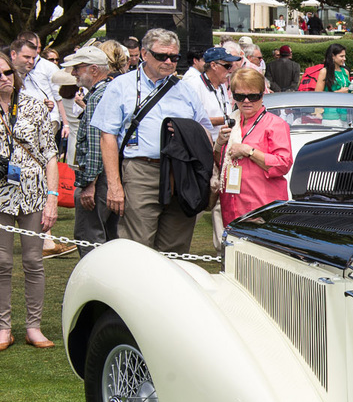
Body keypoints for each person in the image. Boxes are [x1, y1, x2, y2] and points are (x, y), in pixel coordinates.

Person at [92, 28, 212, 253]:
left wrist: (187, 133)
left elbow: (205, 131)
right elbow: (107, 136)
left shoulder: (186, 90)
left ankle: (169, 288)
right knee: (138, 247)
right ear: (145, 54)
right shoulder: (121, 86)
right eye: (162, 56)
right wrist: (115, 185)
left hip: (180, 171)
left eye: (174, 57)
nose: (169, 62)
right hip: (141, 170)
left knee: (175, 247)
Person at [0, 48, 59, 349]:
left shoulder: (35, 106)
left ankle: (33, 326)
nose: (3, 79)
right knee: (1, 262)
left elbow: (50, 155)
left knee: (34, 261)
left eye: (7, 73)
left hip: (34, 194)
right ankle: (3, 327)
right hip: (0, 197)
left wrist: (52, 197)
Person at [65, 43, 126, 246]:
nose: (74, 73)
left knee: (89, 236)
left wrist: (88, 184)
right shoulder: (112, 91)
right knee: (110, 236)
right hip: (112, 175)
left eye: (77, 68)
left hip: (99, 180)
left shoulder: (98, 97)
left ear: (93, 69)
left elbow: (94, 144)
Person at [218, 67, 293, 223]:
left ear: (262, 95)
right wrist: (219, 144)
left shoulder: (275, 124)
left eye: (253, 96)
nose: (246, 101)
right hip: (232, 206)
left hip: (261, 207)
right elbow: (219, 163)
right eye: (240, 96)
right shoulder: (232, 123)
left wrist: (248, 151)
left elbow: (283, 164)